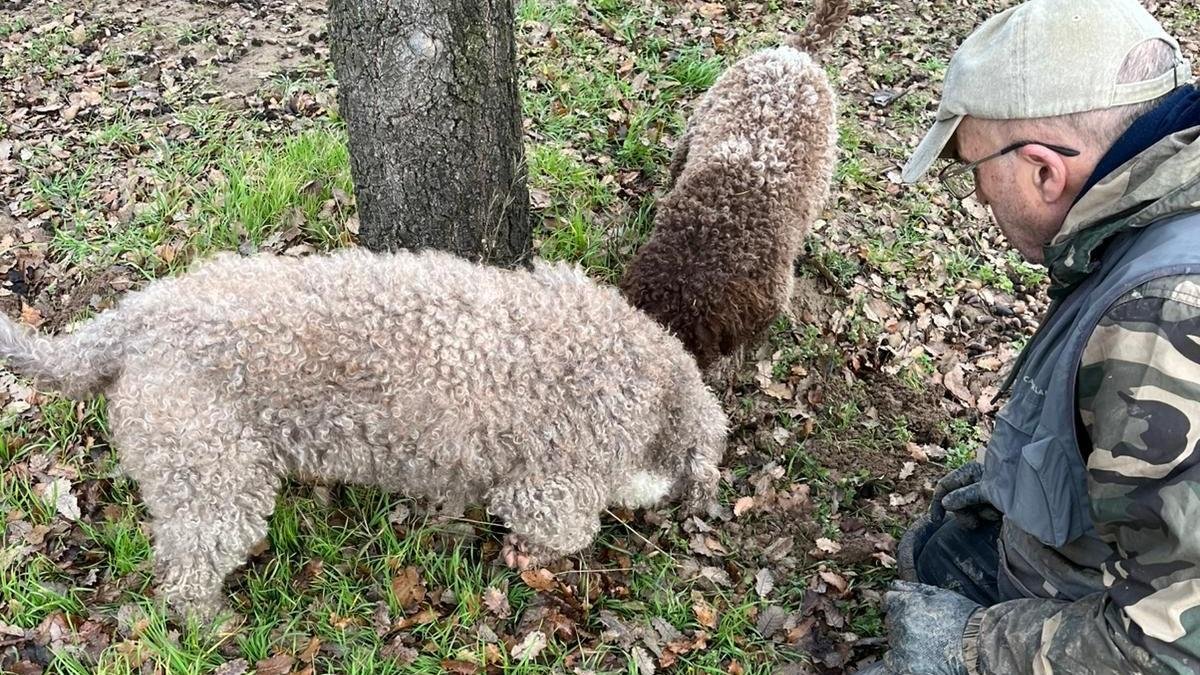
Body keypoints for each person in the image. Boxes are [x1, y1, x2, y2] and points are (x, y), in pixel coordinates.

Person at [862, 0, 1200, 672]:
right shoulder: (1145, 216)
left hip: (1128, 633)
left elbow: (1175, 645)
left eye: (980, 178)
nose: (981, 202)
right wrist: (1017, 486)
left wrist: (970, 650)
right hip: (1100, 573)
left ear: (1046, 170)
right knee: (937, 553)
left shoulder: (1162, 313)